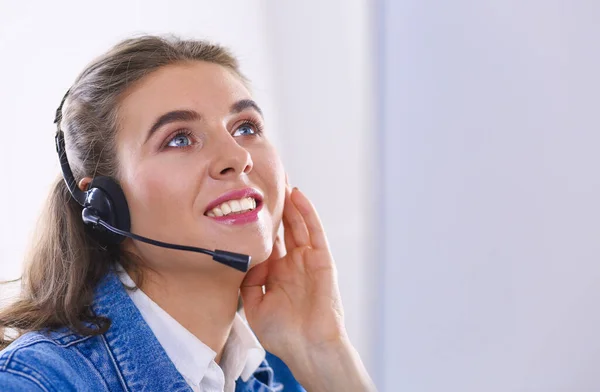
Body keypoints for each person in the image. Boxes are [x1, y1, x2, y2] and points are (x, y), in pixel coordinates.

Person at [0, 35, 375, 391]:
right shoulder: (38, 382)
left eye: (245, 128)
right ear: (104, 204)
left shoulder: (280, 368)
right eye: (180, 138)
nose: (237, 157)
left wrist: (326, 353)